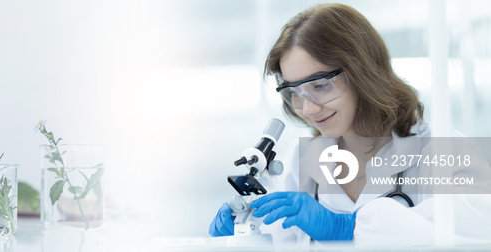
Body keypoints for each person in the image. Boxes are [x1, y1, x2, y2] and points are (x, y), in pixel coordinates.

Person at [209, 3, 491, 245]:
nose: (307, 108)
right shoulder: (300, 161)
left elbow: (481, 224)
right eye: (295, 93)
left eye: (320, 85)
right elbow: (280, 241)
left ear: (362, 72)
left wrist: (350, 227)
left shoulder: (439, 150)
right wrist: (243, 233)